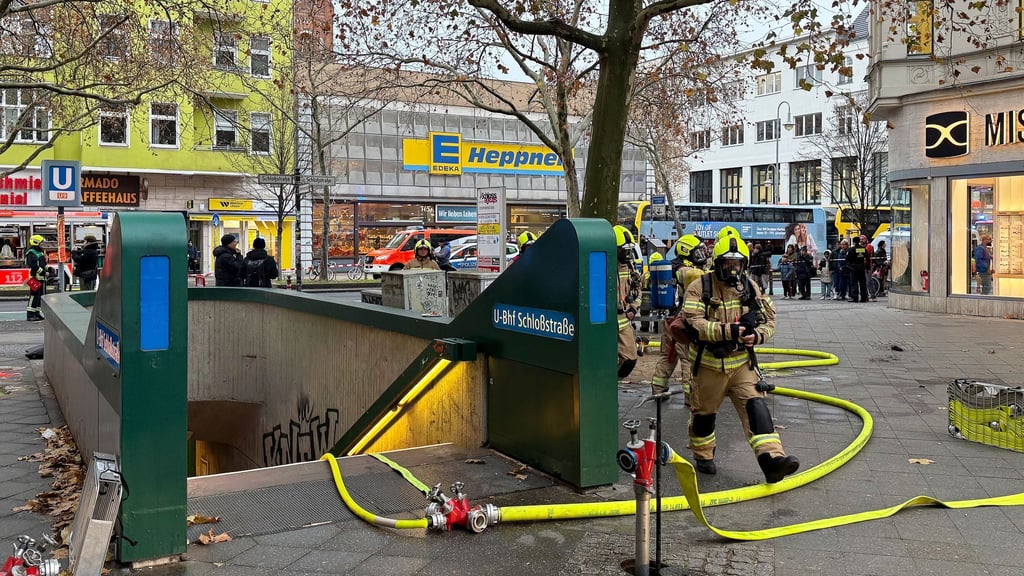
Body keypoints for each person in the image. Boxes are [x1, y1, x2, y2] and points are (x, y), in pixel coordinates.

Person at [682, 234, 798, 483]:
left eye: (737, 264)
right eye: (727, 264)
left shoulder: (751, 287)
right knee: (704, 415)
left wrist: (757, 336)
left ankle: (772, 461)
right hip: (708, 366)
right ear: (717, 263)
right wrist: (728, 331)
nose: (733, 270)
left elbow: (769, 321)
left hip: (741, 364)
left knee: (757, 409)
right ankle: (703, 455)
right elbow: (694, 324)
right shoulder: (699, 287)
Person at [652, 234, 709, 396]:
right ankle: (690, 395)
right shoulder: (684, 270)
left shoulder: (671, 267)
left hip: (669, 319)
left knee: (667, 356)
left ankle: (658, 388)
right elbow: (695, 276)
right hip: (682, 323)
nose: (702, 256)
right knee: (687, 359)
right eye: (698, 252)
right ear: (687, 251)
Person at [614, 225, 641, 378]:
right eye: (624, 250)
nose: (628, 254)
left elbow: (638, 290)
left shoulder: (630, 267)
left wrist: (634, 307)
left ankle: (613, 384)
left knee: (629, 360)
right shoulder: (601, 265)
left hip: (622, 319)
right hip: (603, 321)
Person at [25, 235, 47, 321]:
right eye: (41, 243)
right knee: (34, 296)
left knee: (39, 296)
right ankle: (30, 314)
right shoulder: (31, 252)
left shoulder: (40, 252)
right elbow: (33, 265)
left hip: (41, 278)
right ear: (36, 242)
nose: (42, 244)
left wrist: (49, 269)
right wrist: (43, 271)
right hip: (34, 277)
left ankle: (36, 313)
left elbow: (42, 264)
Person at [846, 235, 868, 303]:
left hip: (854, 268)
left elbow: (847, 259)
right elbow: (867, 257)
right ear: (859, 241)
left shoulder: (851, 249)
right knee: (862, 283)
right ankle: (864, 298)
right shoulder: (863, 249)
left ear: (853, 241)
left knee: (854, 283)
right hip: (861, 267)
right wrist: (867, 267)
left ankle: (855, 298)